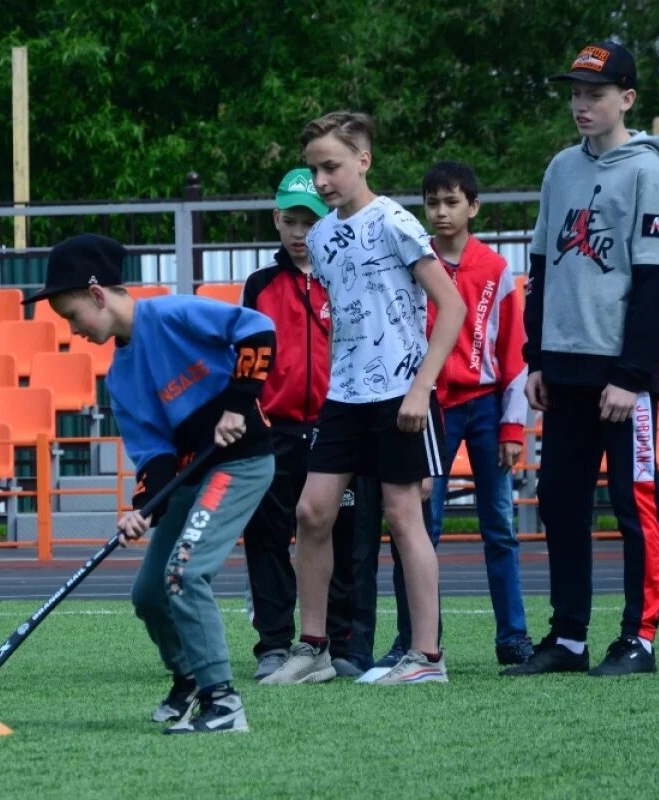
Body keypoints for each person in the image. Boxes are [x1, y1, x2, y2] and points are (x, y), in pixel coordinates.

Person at [25, 233, 275, 734]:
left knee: (184, 573)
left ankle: (222, 703)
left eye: (73, 316)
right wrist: (142, 507)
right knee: (149, 594)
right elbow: (156, 458)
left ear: (97, 294)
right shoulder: (120, 378)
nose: (73, 330)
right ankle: (188, 676)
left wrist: (238, 403)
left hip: (241, 462)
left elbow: (258, 330)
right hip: (190, 476)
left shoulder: (173, 314)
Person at [262, 111, 466, 686]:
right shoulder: (322, 236)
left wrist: (422, 387)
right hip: (344, 399)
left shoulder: (396, 222)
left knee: (404, 518)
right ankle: (315, 649)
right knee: (312, 511)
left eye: (331, 166)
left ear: (363, 161)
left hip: (402, 394)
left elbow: (451, 307)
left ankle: (427, 658)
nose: (322, 179)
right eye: (314, 168)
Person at [505, 41, 659, 678]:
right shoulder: (560, 169)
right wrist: (536, 358)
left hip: (619, 377)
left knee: (635, 505)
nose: (582, 104)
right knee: (558, 502)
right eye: (576, 93)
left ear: (626, 99)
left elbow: (658, 286)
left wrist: (631, 377)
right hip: (565, 370)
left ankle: (639, 639)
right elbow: (542, 268)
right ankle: (569, 637)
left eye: (596, 94)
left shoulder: (649, 174)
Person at [240, 167, 364, 681]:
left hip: (336, 427)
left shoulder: (347, 276)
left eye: (309, 221)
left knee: (340, 536)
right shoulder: (261, 286)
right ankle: (273, 642)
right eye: (290, 220)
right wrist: (252, 417)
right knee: (266, 537)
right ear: (276, 218)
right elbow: (246, 359)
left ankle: (337, 642)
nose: (298, 232)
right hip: (275, 431)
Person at [421, 160, 533, 666]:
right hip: (430, 410)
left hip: (487, 407)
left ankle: (513, 637)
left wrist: (514, 427)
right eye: (433, 203)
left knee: (500, 528)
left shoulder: (496, 268)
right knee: (424, 526)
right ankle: (421, 641)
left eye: (451, 202)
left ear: (473, 207)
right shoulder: (413, 263)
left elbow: (514, 355)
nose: (441, 213)